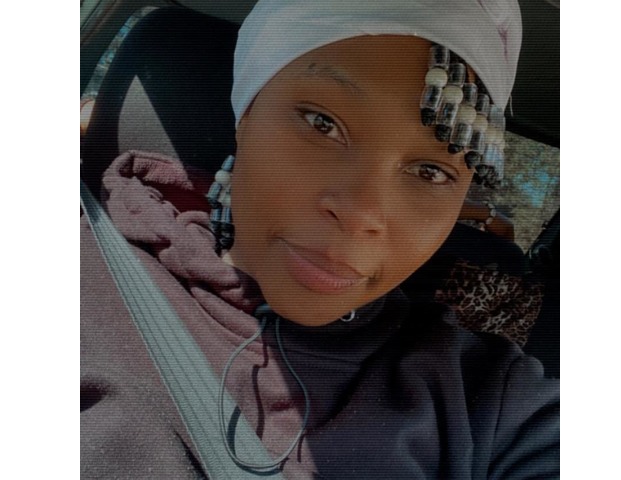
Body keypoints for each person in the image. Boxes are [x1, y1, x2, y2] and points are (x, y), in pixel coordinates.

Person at [81, 0, 559, 478]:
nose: (361, 213)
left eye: (431, 172)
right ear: (246, 114)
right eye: (322, 123)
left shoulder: (486, 398)